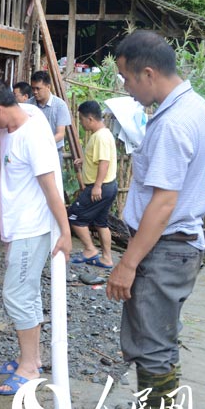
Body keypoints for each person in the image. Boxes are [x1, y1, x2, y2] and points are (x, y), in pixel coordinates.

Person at [101, 31, 205, 409]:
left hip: (165, 247)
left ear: (148, 73)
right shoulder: (192, 105)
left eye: (127, 79)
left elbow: (163, 203)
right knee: (153, 337)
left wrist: (127, 263)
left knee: (155, 345)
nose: (126, 89)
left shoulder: (172, 123)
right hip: (175, 246)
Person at [0, 79, 72, 395]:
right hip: (17, 229)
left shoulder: (33, 135)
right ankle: (31, 358)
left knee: (16, 294)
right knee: (26, 293)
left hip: (31, 229)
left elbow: (51, 187)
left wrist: (66, 232)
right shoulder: (12, 125)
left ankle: (28, 368)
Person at [68, 100, 118, 283]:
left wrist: (96, 186)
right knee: (101, 222)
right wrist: (85, 162)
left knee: (74, 216)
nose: (81, 123)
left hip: (100, 187)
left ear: (90, 118)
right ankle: (106, 259)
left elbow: (104, 162)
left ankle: (90, 249)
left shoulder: (100, 137)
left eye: (81, 120)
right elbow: (98, 160)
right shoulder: (101, 135)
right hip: (108, 186)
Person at [28, 70, 72, 165]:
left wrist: (42, 144)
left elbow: (60, 134)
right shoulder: (28, 105)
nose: (35, 92)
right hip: (31, 152)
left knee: (54, 180)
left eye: (38, 89)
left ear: (48, 87)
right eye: (33, 89)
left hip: (53, 151)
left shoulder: (60, 105)